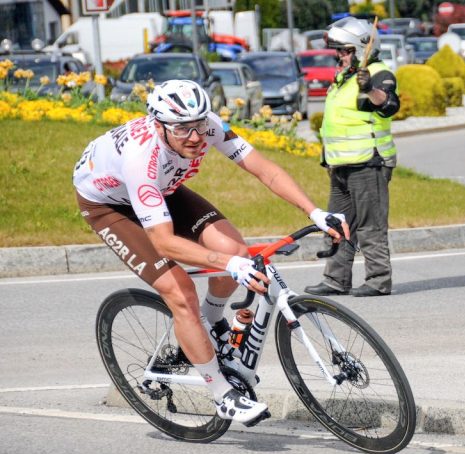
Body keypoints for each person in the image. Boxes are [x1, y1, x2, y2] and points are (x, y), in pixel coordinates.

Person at [73, 79, 348, 425]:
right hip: (110, 206)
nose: (195, 136)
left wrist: (315, 212)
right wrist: (229, 265)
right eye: (182, 129)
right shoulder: (141, 159)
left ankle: (214, 316)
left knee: (235, 247)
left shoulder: (206, 125)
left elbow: (264, 170)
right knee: (180, 291)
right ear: (159, 126)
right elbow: (164, 243)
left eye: (199, 125)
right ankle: (221, 394)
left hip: (163, 189)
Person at [304, 17, 400, 298]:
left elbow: (389, 105)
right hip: (341, 166)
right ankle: (336, 279)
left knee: (370, 226)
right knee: (336, 224)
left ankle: (378, 280)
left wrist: (370, 88)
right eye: (338, 51)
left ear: (360, 49)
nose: (339, 56)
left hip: (369, 163)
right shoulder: (342, 79)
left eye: (344, 50)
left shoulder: (378, 73)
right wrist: (328, 160)